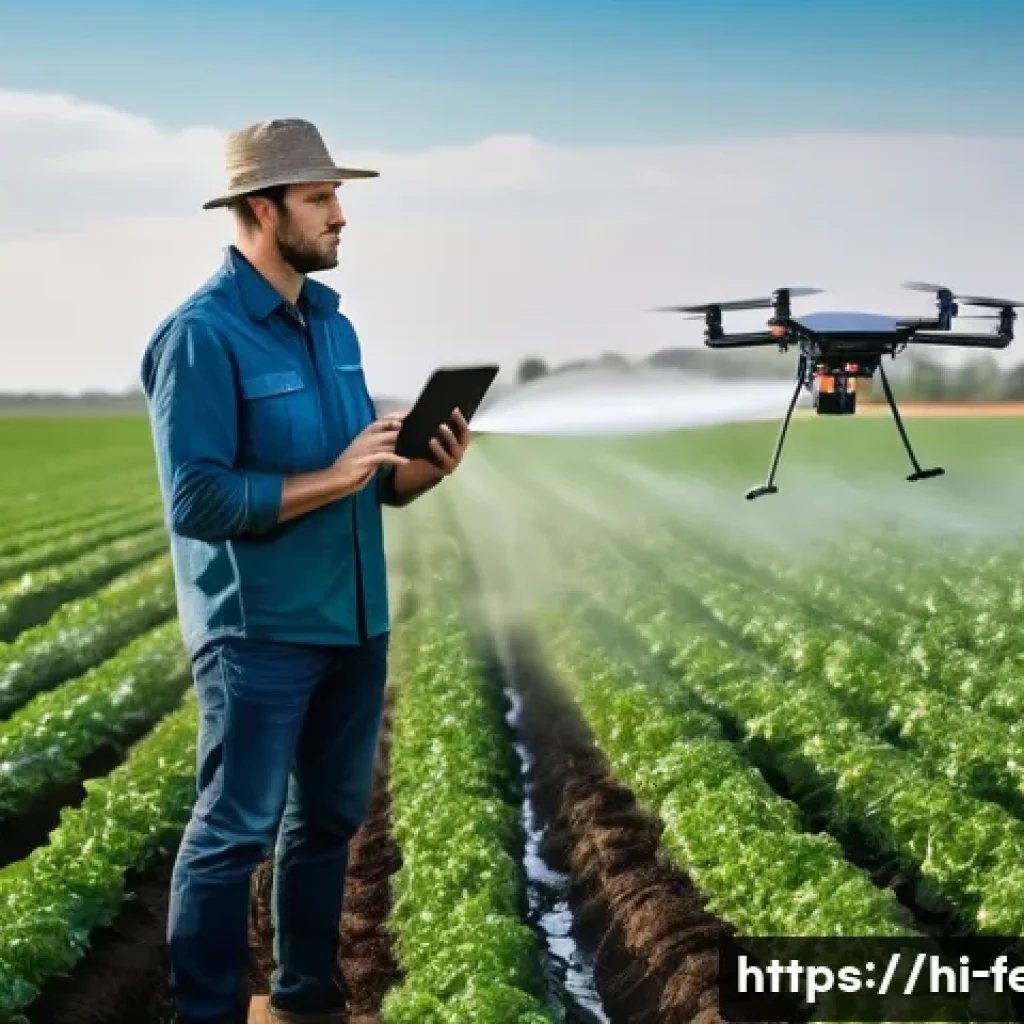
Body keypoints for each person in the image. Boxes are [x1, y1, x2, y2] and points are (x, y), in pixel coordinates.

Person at [140, 118, 471, 1024]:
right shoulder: (201, 337)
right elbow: (199, 502)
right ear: (262, 207)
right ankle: (206, 1012)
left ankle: (303, 1003)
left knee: (327, 823)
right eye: (321, 199)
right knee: (233, 831)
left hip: (354, 621)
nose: (340, 217)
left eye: (338, 198)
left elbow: (369, 487)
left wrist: (423, 468)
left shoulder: (334, 328)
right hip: (260, 631)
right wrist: (339, 474)